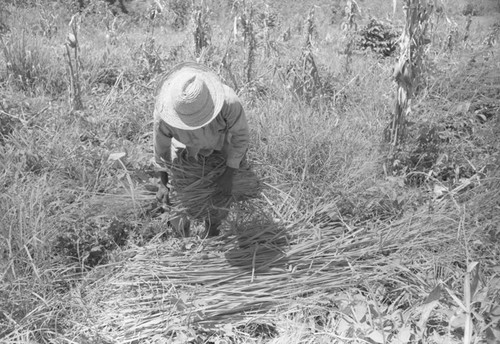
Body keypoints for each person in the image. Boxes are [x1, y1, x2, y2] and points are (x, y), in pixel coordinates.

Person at [153, 62, 249, 237]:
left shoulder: (229, 103)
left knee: (218, 196)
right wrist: (163, 183)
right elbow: (162, 148)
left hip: (221, 148)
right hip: (185, 152)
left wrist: (229, 173)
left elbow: (240, 137)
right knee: (180, 199)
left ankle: (212, 229)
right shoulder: (164, 113)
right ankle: (182, 236)